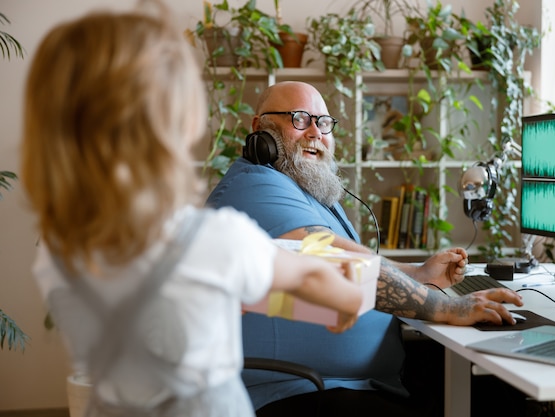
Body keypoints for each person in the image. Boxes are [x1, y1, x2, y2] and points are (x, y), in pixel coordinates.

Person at [20, 10, 364, 417]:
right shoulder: (213, 241)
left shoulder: (60, 251)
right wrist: (347, 298)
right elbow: (309, 274)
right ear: (179, 125)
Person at [207, 81, 525, 416]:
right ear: (260, 128)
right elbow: (334, 260)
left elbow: (352, 268)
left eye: (324, 122)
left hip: (359, 381)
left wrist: (417, 274)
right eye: (299, 119)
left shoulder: (306, 190)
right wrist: (447, 308)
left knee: (499, 386)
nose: (315, 132)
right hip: (300, 392)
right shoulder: (256, 185)